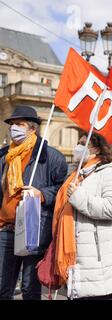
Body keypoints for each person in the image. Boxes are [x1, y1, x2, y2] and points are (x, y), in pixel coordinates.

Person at [0, 106, 67, 300]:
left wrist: (42, 194)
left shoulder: (50, 156)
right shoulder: (4, 155)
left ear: (32, 129)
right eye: (12, 124)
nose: (14, 128)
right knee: (3, 287)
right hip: (5, 230)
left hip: (34, 229)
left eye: (19, 124)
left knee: (30, 288)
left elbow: (62, 189)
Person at [53, 132, 112, 299]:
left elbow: (111, 208)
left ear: (96, 148)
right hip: (80, 261)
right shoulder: (78, 175)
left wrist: (78, 197)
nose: (77, 147)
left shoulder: (108, 173)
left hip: (98, 264)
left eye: (82, 143)